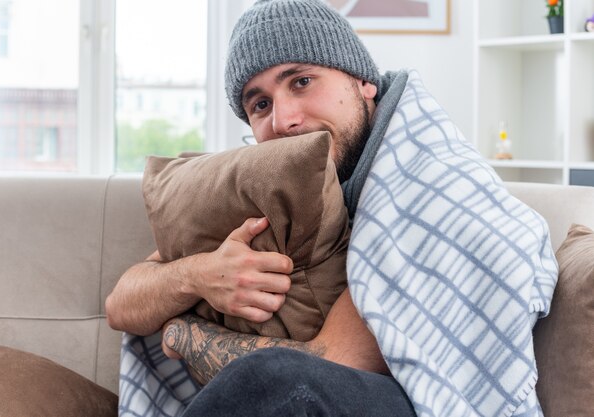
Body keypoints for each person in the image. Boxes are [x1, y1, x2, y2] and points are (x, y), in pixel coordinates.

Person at [107, 0, 556, 416]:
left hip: (419, 404)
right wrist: (201, 274)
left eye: (301, 82)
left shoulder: (431, 188)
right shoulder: (286, 184)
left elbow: (331, 361)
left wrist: (185, 333)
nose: (284, 120)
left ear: (363, 82)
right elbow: (121, 304)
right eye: (259, 104)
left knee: (275, 378)